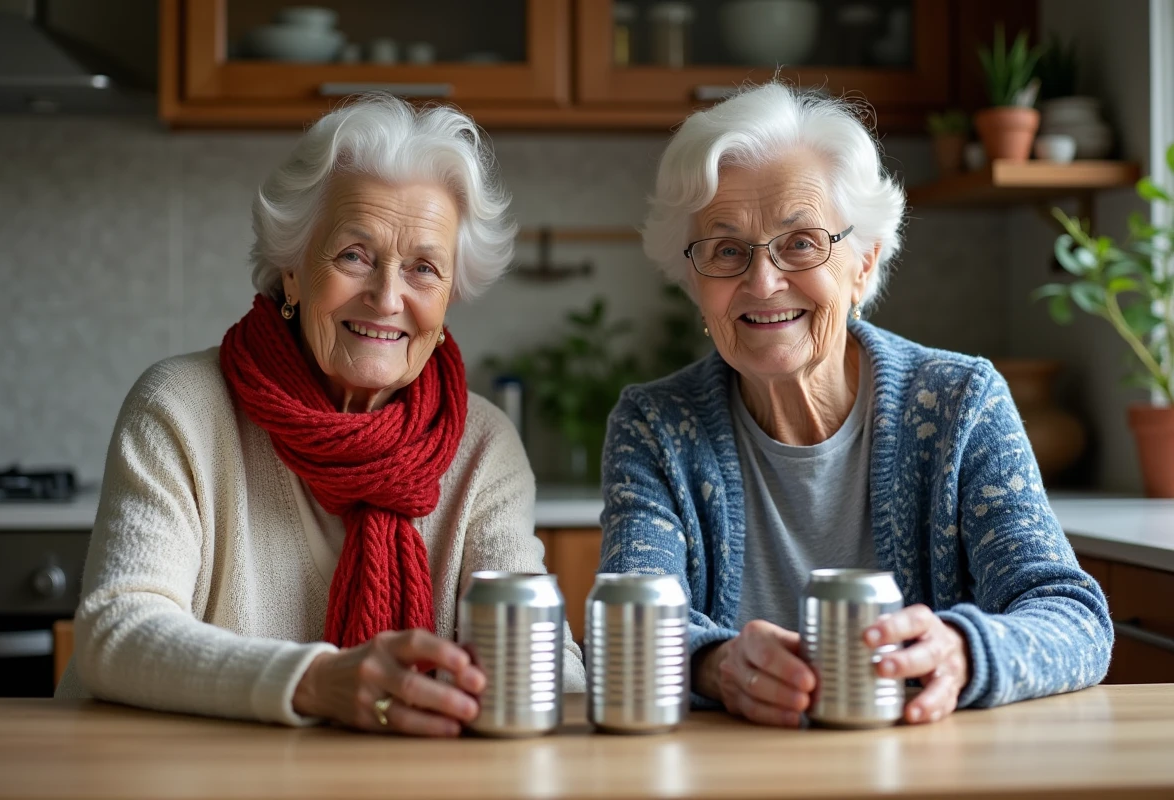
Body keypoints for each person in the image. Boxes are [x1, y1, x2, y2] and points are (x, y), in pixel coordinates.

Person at [57, 95, 584, 735]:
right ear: (294, 270)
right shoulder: (181, 408)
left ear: (450, 296)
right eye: (354, 255)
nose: (387, 298)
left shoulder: (482, 446)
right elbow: (119, 632)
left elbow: (539, 652)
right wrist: (315, 683)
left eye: (424, 268)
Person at [598, 81, 1111, 727]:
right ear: (694, 283)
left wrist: (963, 653)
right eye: (726, 250)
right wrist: (715, 663)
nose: (762, 281)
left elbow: (1073, 618)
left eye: (802, 242)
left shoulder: (959, 404)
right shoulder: (656, 425)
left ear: (863, 264)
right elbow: (630, 624)